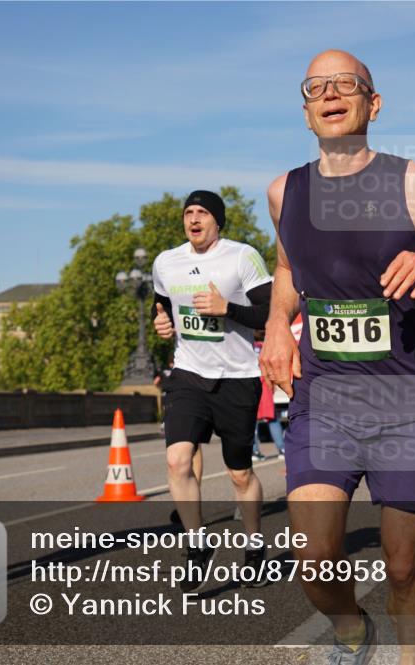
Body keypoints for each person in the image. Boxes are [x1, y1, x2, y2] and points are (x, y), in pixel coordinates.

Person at [259, 50, 415, 665]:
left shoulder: (413, 181)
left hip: (406, 401)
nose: (332, 93)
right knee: (312, 558)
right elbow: (288, 265)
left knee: (403, 563)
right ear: (307, 110)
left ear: (373, 103)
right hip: (325, 400)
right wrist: (278, 324)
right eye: (317, 86)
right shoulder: (285, 191)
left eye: (347, 84)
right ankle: (350, 631)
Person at [150, 189, 273, 592]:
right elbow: (162, 306)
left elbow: (270, 313)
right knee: (177, 460)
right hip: (188, 374)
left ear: (217, 220)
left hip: (237, 377)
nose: (194, 218)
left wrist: (228, 309)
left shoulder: (242, 256)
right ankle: (197, 544)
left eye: (202, 212)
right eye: (188, 212)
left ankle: (254, 546)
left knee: (239, 473)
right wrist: (163, 324)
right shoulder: (167, 262)